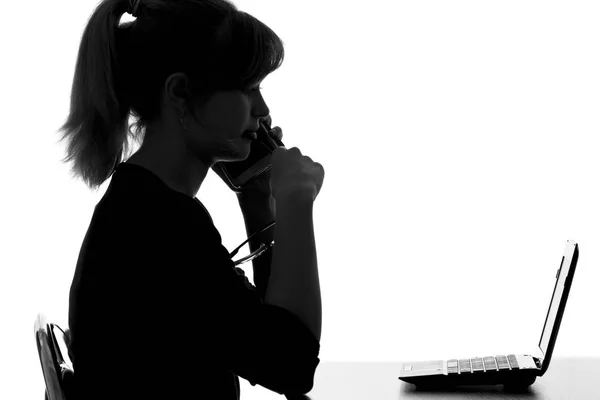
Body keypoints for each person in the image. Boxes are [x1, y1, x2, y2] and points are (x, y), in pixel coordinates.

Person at [57, 0, 325, 399]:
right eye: (248, 88)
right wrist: (296, 200)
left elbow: (268, 336)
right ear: (180, 92)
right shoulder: (159, 226)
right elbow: (291, 365)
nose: (263, 110)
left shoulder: (142, 204)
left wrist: (257, 201)